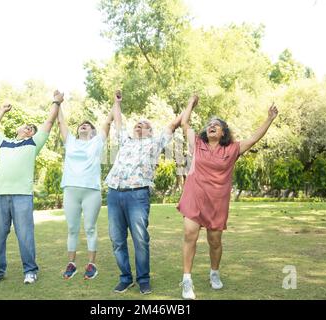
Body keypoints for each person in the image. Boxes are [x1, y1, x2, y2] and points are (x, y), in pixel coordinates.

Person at [177, 95, 278, 299]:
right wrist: (190, 104)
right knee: (190, 234)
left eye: (216, 124)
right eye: (209, 124)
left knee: (214, 241)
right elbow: (184, 123)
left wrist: (269, 119)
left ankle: (214, 272)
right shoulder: (197, 144)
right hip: (195, 196)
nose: (211, 126)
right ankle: (187, 280)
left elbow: (254, 138)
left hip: (216, 201)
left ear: (223, 132)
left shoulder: (232, 149)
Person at [106, 90, 184, 295]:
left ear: (151, 131)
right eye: (138, 124)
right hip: (114, 194)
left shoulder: (155, 143)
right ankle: (125, 278)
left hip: (137, 195)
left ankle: (143, 279)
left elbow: (173, 124)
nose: (141, 126)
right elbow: (118, 121)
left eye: (146, 125)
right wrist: (117, 103)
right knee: (117, 239)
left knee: (140, 239)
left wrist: (190, 104)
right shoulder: (125, 141)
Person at [0, 90, 64, 285]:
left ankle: (30, 271)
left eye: (31, 128)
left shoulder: (33, 144)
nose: (28, 129)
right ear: (19, 129)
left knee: (25, 236)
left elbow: (48, 123)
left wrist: (56, 101)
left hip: (22, 196)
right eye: (27, 126)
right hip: (0, 196)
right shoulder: (4, 143)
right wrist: (2, 110)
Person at [57, 93, 115, 280]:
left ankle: (91, 264)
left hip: (91, 191)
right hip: (71, 190)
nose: (84, 125)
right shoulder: (70, 142)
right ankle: (71, 264)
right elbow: (61, 123)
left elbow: (108, 122)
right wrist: (58, 102)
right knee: (72, 228)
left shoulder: (97, 142)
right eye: (82, 125)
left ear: (93, 131)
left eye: (88, 125)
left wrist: (116, 103)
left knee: (90, 227)